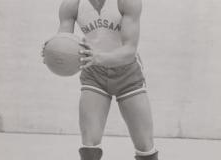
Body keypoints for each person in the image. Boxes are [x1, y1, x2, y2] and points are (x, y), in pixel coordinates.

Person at [42, 0, 158, 159]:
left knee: (145, 146)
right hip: (94, 73)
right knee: (89, 146)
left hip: (127, 73)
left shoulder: (127, 2)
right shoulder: (71, 5)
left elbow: (130, 50)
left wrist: (99, 57)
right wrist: (53, 51)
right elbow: (63, 40)